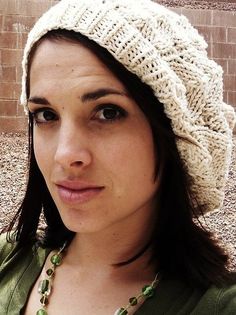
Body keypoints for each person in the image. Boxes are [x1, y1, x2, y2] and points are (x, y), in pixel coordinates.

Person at [0, 0, 236, 314]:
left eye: (108, 112)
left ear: (177, 133)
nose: (65, 154)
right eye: (45, 115)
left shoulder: (217, 306)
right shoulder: (7, 259)